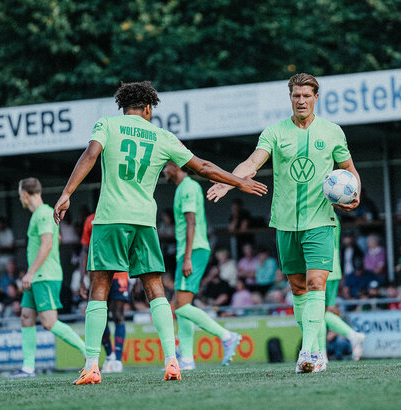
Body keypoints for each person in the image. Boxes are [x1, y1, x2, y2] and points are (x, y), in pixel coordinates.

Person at [53, 81, 266, 384]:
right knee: (156, 290)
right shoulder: (162, 136)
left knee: (98, 289)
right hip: (144, 221)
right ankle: (172, 362)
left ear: (123, 107)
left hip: (110, 219)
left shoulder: (108, 125)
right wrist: (237, 181)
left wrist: (66, 193)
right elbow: (202, 166)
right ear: (149, 108)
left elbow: (90, 155)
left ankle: (91, 365)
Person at [208, 73, 360, 374]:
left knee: (317, 283)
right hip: (286, 222)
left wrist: (355, 195)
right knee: (299, 288)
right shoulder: (275, 132)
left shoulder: (332, 132)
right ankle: (316, 350)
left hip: (320, 220)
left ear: (316, 97)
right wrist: (230, 182)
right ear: (290, 97)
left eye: (306, 95)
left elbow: (349, 170)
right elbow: (253, 162)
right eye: (296, 96)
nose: (301, 100)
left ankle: (308, 352)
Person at [162, 161, 242, 371]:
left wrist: (187, 257)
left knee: (181, 306)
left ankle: (227, 336)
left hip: (193, 250)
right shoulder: (183, 188)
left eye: (166, 166)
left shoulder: (188, 187)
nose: (163, 171)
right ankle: (187, 359)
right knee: (182, 307)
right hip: (190, 251)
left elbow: (192, 223)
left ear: (176, 167)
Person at [6, 177, 86, 379]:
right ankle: (28, 368)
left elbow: (48, 243)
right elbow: (55, 238)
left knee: (49, 322)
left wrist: (30, 272)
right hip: (38, 276)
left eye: (19, 195)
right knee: (26, 317)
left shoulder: (42, 214)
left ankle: (89, 353)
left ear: (25, 195)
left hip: (43, 276)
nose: (20, 199)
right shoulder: (44, 213)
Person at [79, 211, 128, 374]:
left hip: (120, 272)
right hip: (98, 273)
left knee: (119, 314)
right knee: (101, 314)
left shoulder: (121, 215)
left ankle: (118, 360)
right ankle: (110, 356)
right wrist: (82, 278)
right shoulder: (90, 220)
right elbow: (85, 250)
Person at [320, 219, 366, 363]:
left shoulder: (318, 214)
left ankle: (323, 352)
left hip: (321, 266)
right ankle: (323, 354)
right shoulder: (334, 216)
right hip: (334, 267)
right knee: (326, 311)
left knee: (318, 312)